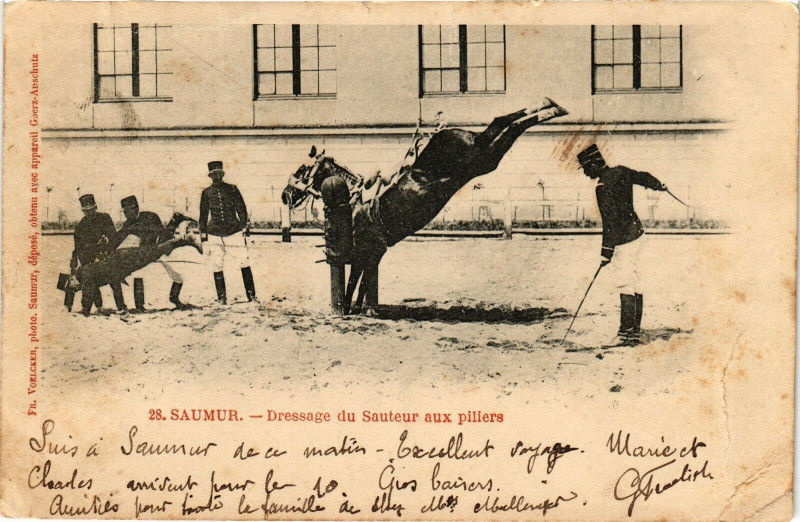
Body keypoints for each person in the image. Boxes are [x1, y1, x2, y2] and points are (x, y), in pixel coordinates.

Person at [577, 144, 668, 346]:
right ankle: (634, 330)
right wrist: (658, 184)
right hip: (638, 234)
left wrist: (606, 253)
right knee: (635, 279)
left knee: (624, 281)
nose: (585, 173)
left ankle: (626, 335)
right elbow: (642, 176)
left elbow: (610, 223)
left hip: (624, 241)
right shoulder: (620, 171)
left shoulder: (602, 188)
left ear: (595, 164)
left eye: (585, 167)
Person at [115, 195, 190, 310]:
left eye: (127, 211)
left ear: (135, 208)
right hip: (143, 255)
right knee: (138, 274)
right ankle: (139, 306)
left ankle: (174, 297)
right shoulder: (127, 225)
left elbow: (163, 235)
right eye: (124, 211)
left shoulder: (150, 217)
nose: (125, 214)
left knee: (177, 274)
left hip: (158, 248)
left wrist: (160, 248)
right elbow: (117, 240)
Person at [199, 161, 257, 304]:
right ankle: (222, 298)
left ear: (222, 174)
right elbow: (203, 214)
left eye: (219, 173)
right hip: (214, 233)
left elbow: (241, 208)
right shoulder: (206, 192)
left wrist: (244, 226)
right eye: (214, 174)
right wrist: (203, 235)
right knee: (216, 264)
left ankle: (251, 295)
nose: (216, 176)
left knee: (244, 260)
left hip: (234, 231)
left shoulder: (232, 189)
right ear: (210, 176)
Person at [68, 194, 126, 314]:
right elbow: (78, 249)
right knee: (89, 276)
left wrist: (106, 245)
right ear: (83, 211)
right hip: (90, 259)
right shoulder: (80, 226)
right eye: (86, 211)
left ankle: (121, 307)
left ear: (96, 207)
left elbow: (113, 238)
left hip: (106, 256)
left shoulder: (104, 218)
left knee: (114, 277)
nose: (89, 213)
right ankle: (97, 307)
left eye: (91, 210)